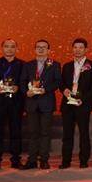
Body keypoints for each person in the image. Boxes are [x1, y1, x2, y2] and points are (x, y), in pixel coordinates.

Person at [20, 39, 61, 169]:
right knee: (32, 133)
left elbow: (57, 82)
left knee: (45, 132)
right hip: (31, 102)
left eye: (44, 47)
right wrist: (26, 92)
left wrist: (46, 89)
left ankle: (44, 160)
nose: (41, 49)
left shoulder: (54, 64)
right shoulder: (28, 65)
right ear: (35, 49)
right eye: (38, 47)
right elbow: (22, 81)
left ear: (48, 50)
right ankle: (32, 160)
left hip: (46, 102)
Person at [0, 38, 24, 170]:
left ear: (16, 49)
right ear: (2, 48)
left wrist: (19, 88)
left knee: (16, 132)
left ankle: (16, 160)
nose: (9, 49)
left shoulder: (22, 64)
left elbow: (25, 82)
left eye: (12, 46)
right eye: (6, 46)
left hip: (15, 103)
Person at [59, 38, 92, 169]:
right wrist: (64, 90)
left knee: (84, 133)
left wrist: (84, 99)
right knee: (67, 134)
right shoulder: (67, 66)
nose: (78, 50)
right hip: (68, 104)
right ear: (72, 49)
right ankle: (66, 161)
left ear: (86, 49)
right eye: (75, 47)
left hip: (83, 104)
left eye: (81, 47)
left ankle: (83, 160)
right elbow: (62, 83)